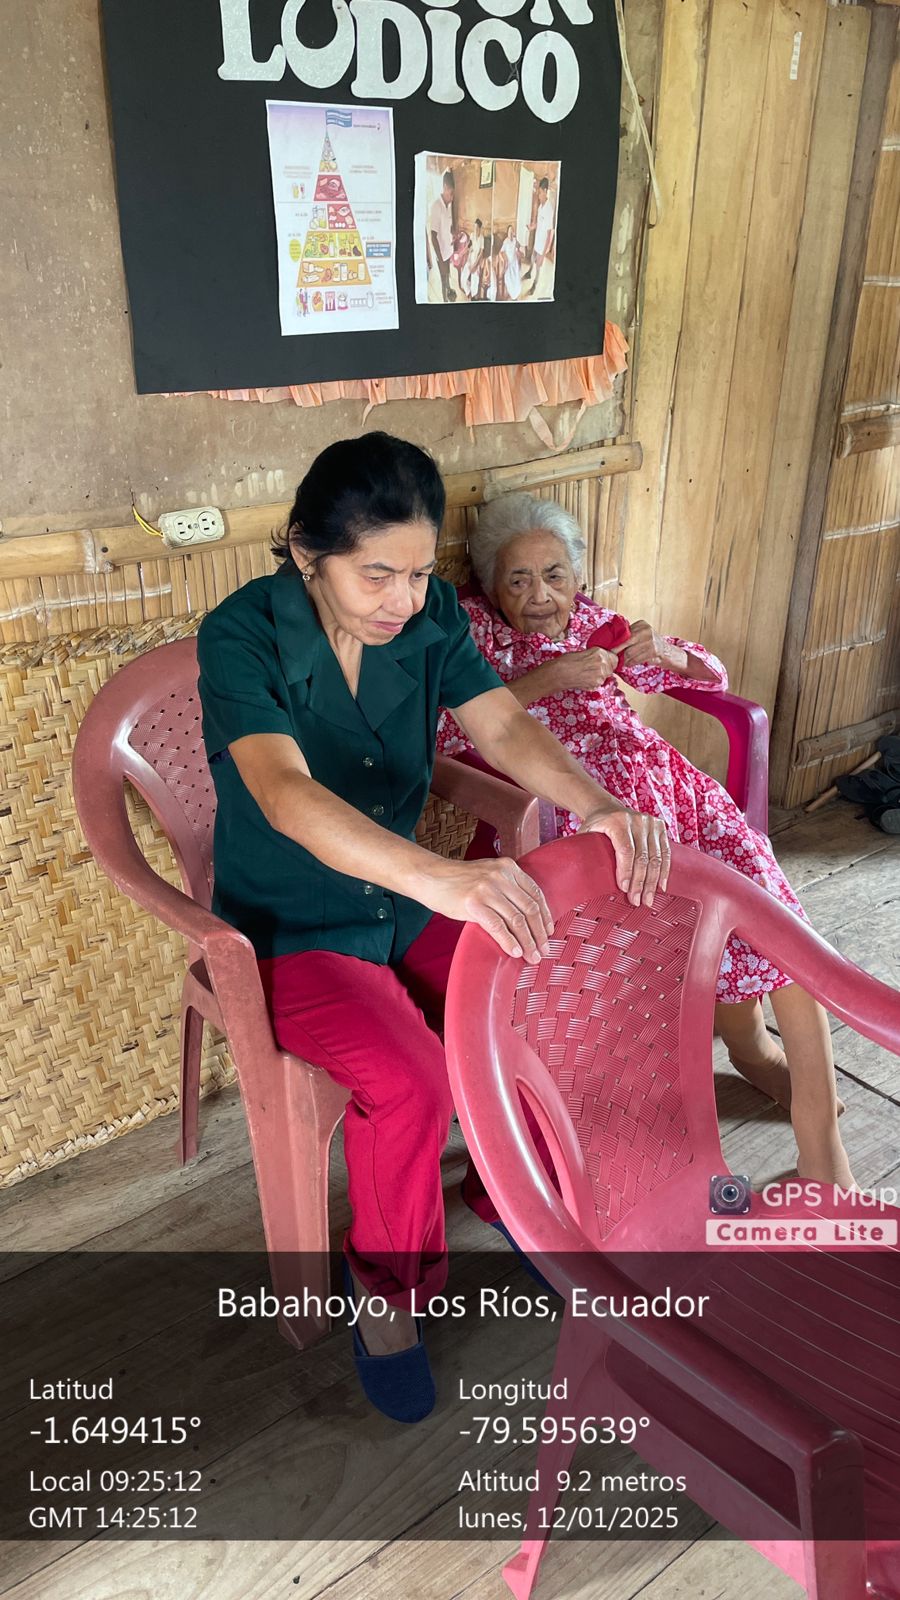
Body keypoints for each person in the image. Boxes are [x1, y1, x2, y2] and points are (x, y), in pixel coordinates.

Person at [197, 436, 670, 1423]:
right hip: (292, 922)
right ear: (306, 552)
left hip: (398, 900)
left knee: (531, 1000)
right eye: (377, 573)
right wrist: (444, 879)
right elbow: (283, 793)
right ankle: (386, 1291)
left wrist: (600, 805)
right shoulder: (241, 635)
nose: (402, 600)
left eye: (416, 573)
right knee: (410, 1080)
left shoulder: (431, 618)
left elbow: (501, 725)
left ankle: (513, 1194)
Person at [436, 491, 855, 1193]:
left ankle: (815, 1131)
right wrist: (547, 679)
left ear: (577, 576)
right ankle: (732, 1061)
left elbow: (711, 677)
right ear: (490, 585)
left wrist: (662, 651)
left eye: (555, 576)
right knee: (675, 945)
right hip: (581, 818)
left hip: (675, 795)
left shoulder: (592, 622)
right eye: (519, 579)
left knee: (775, 918)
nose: (540, 596)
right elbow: (442, 731)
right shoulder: (473, 636)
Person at [429, 169, 456, 303]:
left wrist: (453, 233)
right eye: (451, 193)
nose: (452, 197)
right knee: (443, 280)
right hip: (441, 254)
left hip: (448, 250)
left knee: (448, 276)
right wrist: (440, 259)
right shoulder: (436, 206)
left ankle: (449, 295)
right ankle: (445, 302)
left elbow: (448, 226)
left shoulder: (449, 206)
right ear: (445, 187)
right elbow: (433, 236)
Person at [525, 175, 555, 297]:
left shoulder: (549, 209)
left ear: (545, 191)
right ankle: (529, 272)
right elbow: (540, 223)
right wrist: (532, 227)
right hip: (537, 241)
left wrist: (543, 254)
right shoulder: (540, 206)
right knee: (532, 259)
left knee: (538, 266)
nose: (538, 195)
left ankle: (535, 285)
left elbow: (550, 233)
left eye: (540, 192)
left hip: (542, 245)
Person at [462, 217, 485, 298]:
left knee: (475, 280)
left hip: (477, 261)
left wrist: (475, 265)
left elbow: (481, 253)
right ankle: (468, 292)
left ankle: (473, 295)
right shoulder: (472, 235)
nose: (475, 229)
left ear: (480, 228)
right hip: (470, 259)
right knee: (463, 278)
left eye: (477, 228)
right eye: (474, 227)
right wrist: (467, 260)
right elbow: (469, 247)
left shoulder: (481, 238)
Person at [500, 224, 523, 299]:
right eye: (509, 231)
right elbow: (501, 252)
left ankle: (515, 294)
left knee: (516, 277)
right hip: (508, 262)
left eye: (512, 231)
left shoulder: (515, 241)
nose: (511, 233)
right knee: (508, 277)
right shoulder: (506, 241)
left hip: (514, 261)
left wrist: (519, 252)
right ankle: (511, 294)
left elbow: (519, 249)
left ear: (513, 233)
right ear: (507, 233)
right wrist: (505, 259)